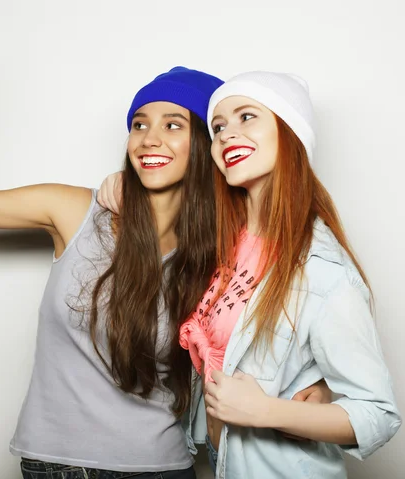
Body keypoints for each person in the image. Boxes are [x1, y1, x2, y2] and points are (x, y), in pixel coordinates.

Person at [0, 27, 333, 478]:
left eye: (173, 124)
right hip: (53, 466)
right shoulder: (73, 211)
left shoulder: (227, 251)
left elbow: (283, 323)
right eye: (139, 123)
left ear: (206, 142)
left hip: (161, 468)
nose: (149, 137)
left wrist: (317, 389)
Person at [181, 71, 401, 478]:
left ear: (289, 131)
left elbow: (378, 414)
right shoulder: (225, 242)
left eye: (247, 116)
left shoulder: (322, 270)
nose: (227, 134)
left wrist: (267, 411)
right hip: (221, 463)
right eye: (218, 126)